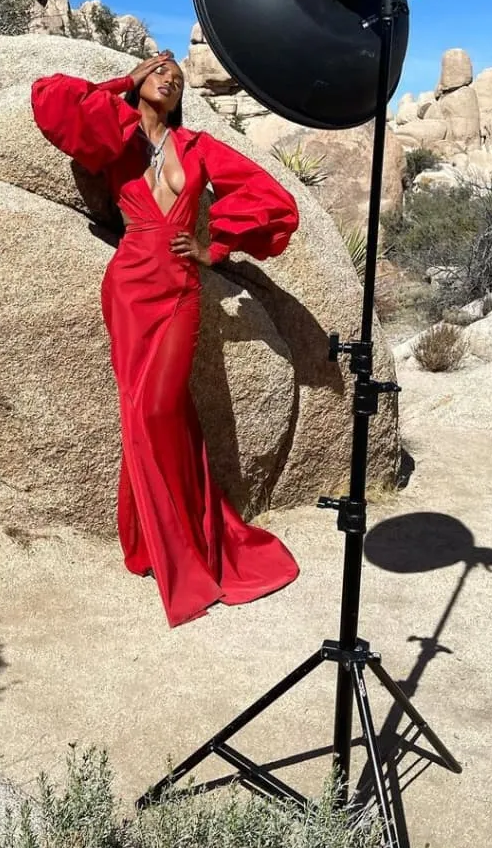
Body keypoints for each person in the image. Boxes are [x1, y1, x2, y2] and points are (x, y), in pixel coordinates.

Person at [31, 51, 301, 627]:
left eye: (177, 77)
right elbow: (50, 100)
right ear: (140, 82)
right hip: (129, 287)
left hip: (179, 291)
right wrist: (123, 81)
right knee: (145, 411)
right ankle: (155, 544)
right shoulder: (116, 137)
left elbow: (273, 200)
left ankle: (170, 542)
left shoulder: (200, 148)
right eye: (159, 70)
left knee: (159, 410)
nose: (170, 77)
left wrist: (215, 248)